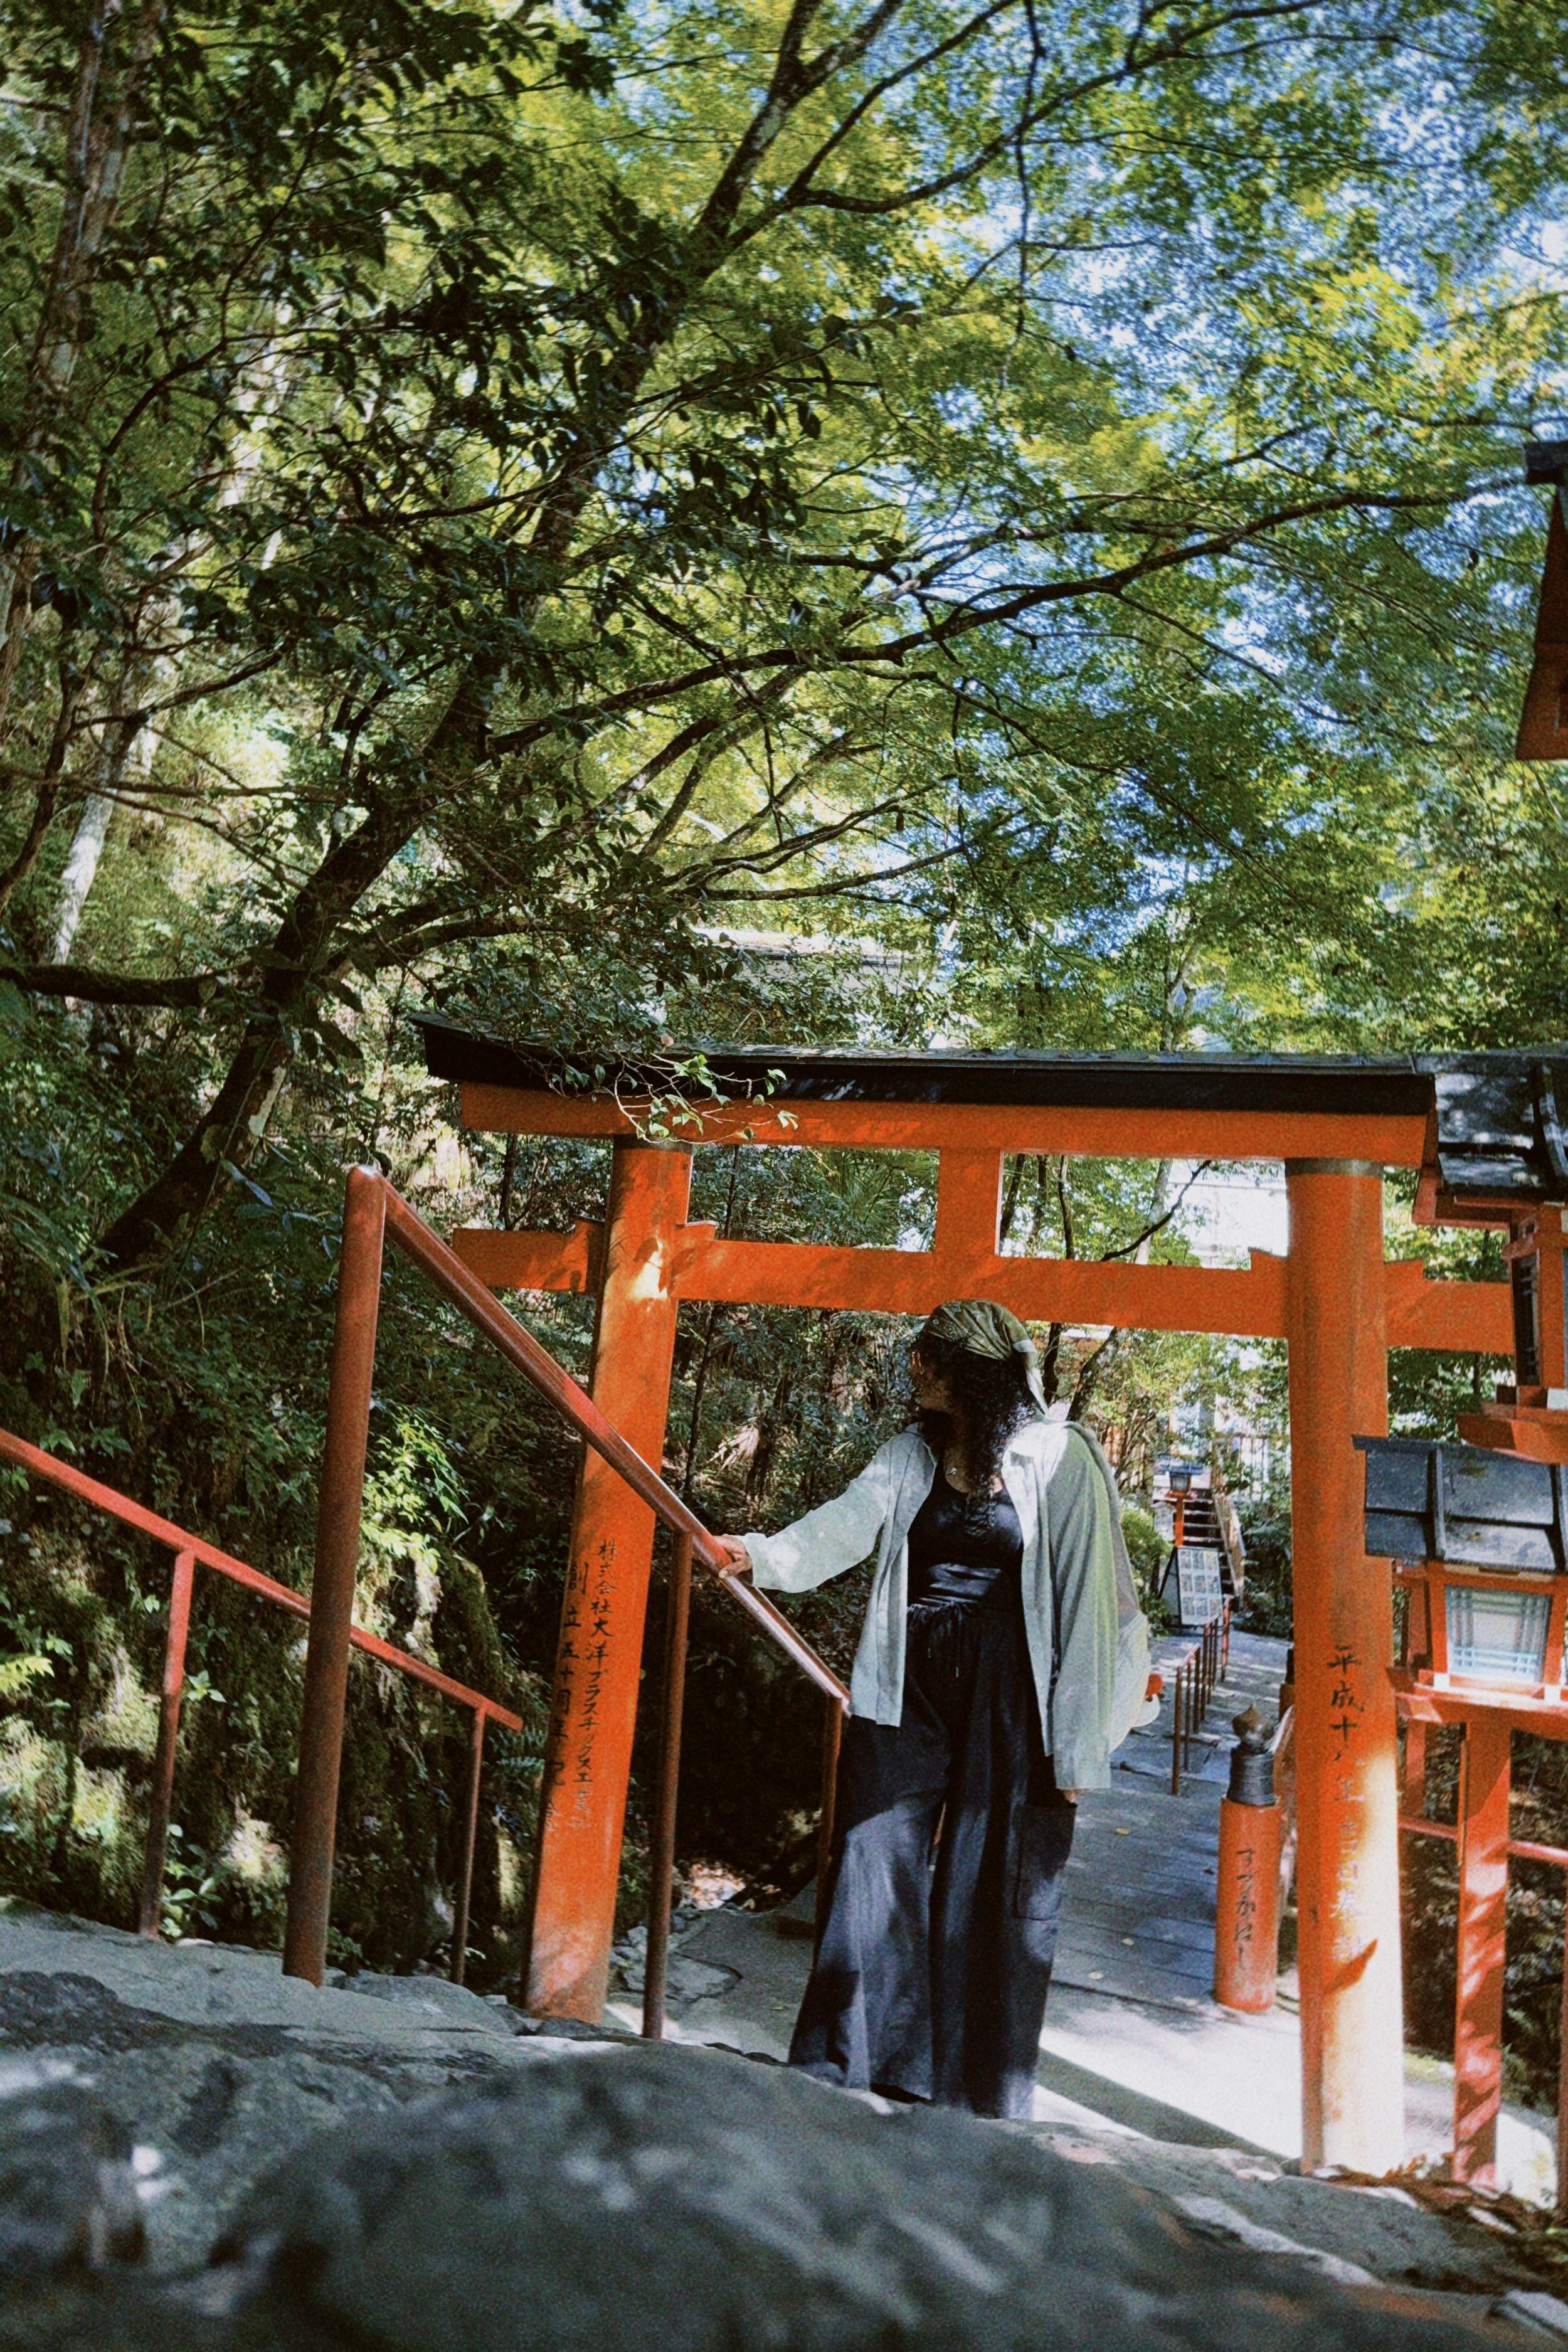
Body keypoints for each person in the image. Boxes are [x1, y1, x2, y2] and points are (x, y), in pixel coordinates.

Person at [712, 1298, 1151, 2120]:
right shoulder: (913, 1453)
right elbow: (848, 1522)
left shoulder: (1061, 1458)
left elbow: (1092, 1605)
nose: (914, 1370)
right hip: (907, 1676)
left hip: (1013, 1691)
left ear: (968, 1371)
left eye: (927, 1358)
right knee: (871, 1851)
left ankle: (976, 2095)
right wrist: (758, 1554)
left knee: (994, 1882)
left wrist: (1083, 1747)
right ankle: (845, 2066)